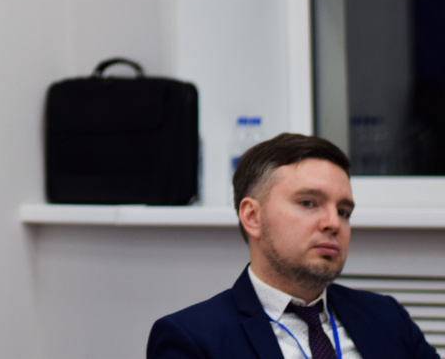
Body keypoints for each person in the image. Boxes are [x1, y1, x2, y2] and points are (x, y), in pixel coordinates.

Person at [147, 133, 436, 358]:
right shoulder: (193, 338)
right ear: (252, 217)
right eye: (308, 203)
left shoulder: (385, 316)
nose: (333, 223)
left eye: (344, 211)